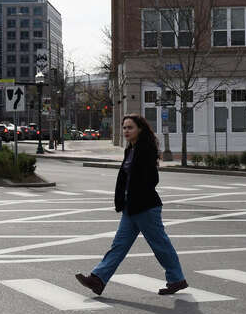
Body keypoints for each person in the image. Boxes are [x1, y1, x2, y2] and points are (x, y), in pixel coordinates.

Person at [75, 113, 187, 297]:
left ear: (140, 129)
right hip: (131, 207)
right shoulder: (131, 149)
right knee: (119, 245)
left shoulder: (146, 149)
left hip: (146, 207)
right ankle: (98, 279)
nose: (126, 131)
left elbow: (152, 179)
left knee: (160, 245)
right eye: (124, 127)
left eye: (130, 127)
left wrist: (137, 194)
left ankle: (177, 279)